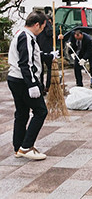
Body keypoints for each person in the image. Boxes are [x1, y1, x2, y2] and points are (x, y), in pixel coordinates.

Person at [7, 11, 52, 160]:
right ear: (37, 24)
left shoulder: (22, 34)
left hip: (16, 79)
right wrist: (32, 84)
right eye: (43, 27)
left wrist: (49, 56)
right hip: (23, 81)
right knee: (40, 111)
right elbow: (25, 62)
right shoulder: (26, 36)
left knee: (22, 113)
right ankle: (26, 147)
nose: (42, 31)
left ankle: (19, 146)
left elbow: (33, 55)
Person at [37, 15, 53, 95]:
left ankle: (41, 88)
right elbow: (49, 33)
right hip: (47, 51)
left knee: (40, 70)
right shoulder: (48, 24)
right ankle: (48, 86)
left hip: (38, 50)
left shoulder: (38, 25)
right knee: (50, 68)